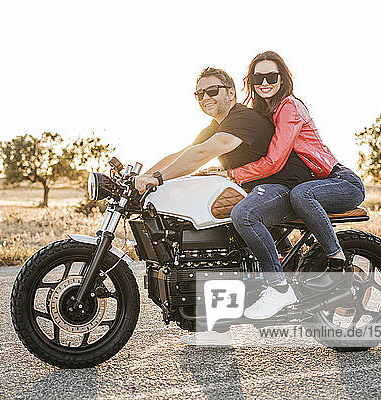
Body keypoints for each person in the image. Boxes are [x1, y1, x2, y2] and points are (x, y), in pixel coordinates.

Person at [134, 66, 315, 344]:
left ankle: (278, 288)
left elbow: (204, 152)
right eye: (199, 94)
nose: (205, 97)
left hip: (283, 188)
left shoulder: (242, 119)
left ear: (231, 93)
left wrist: (157, 178)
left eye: (212, 91)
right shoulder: (217, 125)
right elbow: (183, 153)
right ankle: (217, 325)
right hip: (256, 190)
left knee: (239, 218)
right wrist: (141, 177)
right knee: (214, 246)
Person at [207, 51, 365, 318]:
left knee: (300, 195)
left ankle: (336, 262)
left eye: (272, 76)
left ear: (283, 78)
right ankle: (281, 269)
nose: (265, 82)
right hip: (312, 184)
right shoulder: (264, 111)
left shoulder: (289, 107)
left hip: (339, 180)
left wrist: (233, 174)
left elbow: (274, 161)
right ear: (251, 80)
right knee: (293, 197)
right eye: (259, 77)